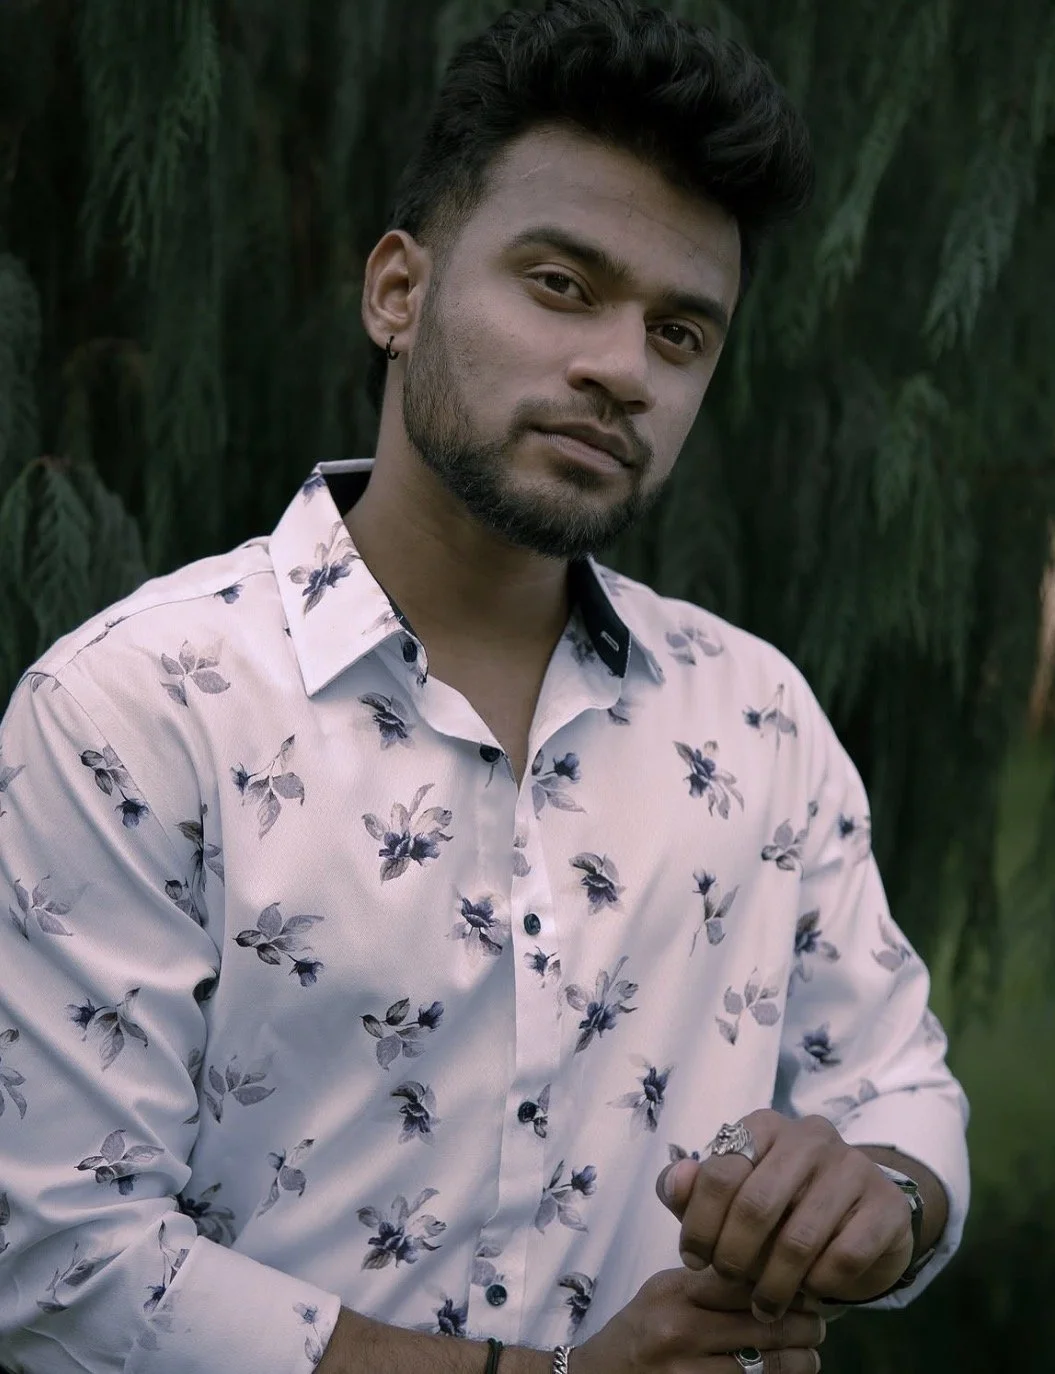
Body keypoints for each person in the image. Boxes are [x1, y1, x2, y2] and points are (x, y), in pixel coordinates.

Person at [0, 1, 969, 1371]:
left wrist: (880, 1198)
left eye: (680, 333)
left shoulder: (754, 719)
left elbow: (902, 1093)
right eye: (561, 284)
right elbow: (61, 1260)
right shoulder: (135, 712)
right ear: (398, 291)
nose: (619, 368)